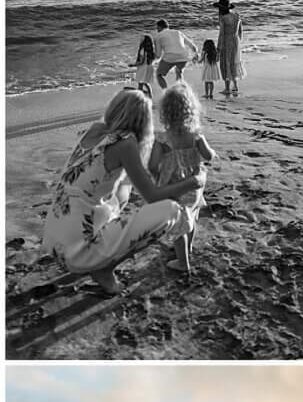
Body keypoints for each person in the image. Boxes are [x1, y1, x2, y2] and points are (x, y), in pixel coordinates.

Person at [39, 87, 199, 282]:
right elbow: (152, 196)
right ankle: (104, 269)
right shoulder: (126, 144)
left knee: (122, 190)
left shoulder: (96, 130)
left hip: (55, 245)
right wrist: (192, 182)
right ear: (143, 121)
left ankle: (98, 253)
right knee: (172, 210)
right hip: (77, 256)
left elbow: (123, 184)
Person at [147, 84, 214, 282]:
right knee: (191, 217)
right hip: (195, 185)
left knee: (178, 224)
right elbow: (208, 156)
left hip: (174, 188)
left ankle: (182, 262)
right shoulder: (196, 135)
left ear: (166, 112)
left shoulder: (163, 139)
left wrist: (157, 177)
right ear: (190, 109)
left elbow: (152, 164)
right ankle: (188, 247)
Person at [216, 1, 245, 99]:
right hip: (235, 41)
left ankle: (227, 88)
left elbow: (222, 34)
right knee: (234, 62)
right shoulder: (236, 15)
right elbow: (241, 30)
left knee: (225, 63)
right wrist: (239, 40)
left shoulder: (223, 18)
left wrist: (218, 48)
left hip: (226, 41)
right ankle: (235, 86)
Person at [154, 17, 193, 84]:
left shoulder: (158, 36)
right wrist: (196, 54)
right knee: (178, 72)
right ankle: (181, 89)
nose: (157, 29)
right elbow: (192, 46)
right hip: (184, 56)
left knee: (159, 75)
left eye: (157, 27)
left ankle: (166, 91)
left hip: (169, 57)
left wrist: (150, 59)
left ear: (160, 27)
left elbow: (158, 55)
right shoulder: (178, 32)